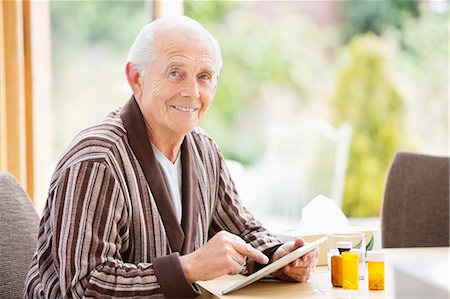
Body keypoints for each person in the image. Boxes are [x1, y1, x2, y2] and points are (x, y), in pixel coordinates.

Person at [24, 16, 317, 298]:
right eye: (175, 73)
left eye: (204, 77)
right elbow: (83, 286)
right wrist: (188, 268)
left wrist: (277, 257)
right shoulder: (96, 160)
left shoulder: (204, 150)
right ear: (136, 78)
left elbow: (241, 228)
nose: (192, 92)